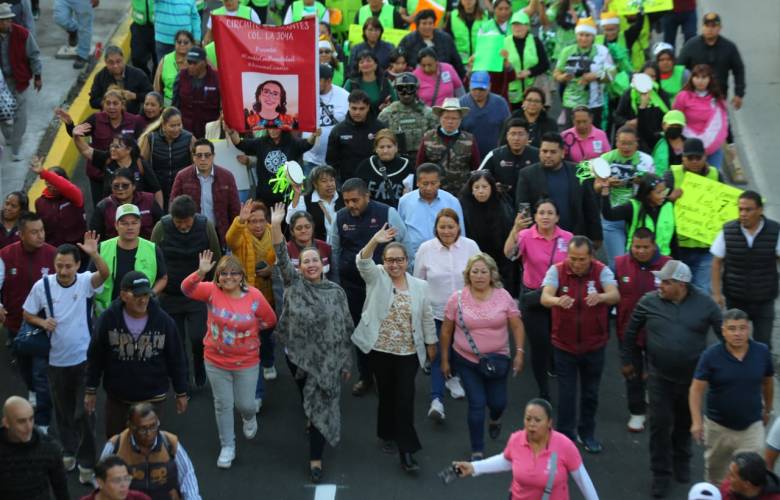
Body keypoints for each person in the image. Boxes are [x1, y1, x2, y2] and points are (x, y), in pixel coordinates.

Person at [621, 260, 722, 498]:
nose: (660, 286)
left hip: (692, 381)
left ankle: (682, 460)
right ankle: (661, 474)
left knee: (685, 422)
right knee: (659, 426)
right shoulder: (649, 301)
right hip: (659, 377)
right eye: (660, 281)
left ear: (682, 284)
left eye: (666, 282)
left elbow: (723, 334)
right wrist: (629, 361)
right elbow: (630, 333)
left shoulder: (706, 304)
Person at [269, 203, 352, 482]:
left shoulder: (336, 292)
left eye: (315, 261)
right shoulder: (293, 284)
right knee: (306, 393)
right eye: (306, 262)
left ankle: (315, 458)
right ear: (300, 267)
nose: (312, 265)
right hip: (297, 356)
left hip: (327, 361)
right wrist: (276, 224)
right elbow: (281, 253)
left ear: (322, 264)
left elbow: (345, 328)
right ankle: (310, 412)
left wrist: (345, 360)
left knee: (320, 407)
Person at [22, 235, 108, 483]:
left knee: (85, 413)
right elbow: (27, 313)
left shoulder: (84, 283)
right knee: (63, 413)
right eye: (59, 265)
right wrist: (41, 321)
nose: (63, 270)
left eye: (68, 265)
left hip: (84, 360)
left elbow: (104, 274)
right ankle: (68, 451)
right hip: (55, 361)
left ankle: (87, 462)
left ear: (78, 265)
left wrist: (94, 254)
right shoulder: (43, 285)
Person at [181, 251, 277, 468]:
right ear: (218, 276)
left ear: (242, 276)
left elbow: (270, 319)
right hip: (215, 361)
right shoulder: (211, 291)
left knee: (246, 404)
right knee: (222, 404)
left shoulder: (254, 296)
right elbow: (186, 289)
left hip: (247, 361)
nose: (229, 277)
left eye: (234, 273)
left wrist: (252, 330)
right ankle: (228, 446)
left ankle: (249, 417)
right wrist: (200, 272)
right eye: (224, 273)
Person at [354, 224, 437, 472]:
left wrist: (431, 343)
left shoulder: (419, 286)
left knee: (405, 399)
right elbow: (362, 261)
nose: (394, 265)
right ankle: (386, 432)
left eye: (399, 260)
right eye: (390, 260)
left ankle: (407, 451)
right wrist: (374, 240)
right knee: (387, 396)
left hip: (408, 353)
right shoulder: (377, 276)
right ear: (384, 261)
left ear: (407, 261)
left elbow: (426, 316)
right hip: (380, 350)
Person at [440, 252, 526, 459]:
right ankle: (477, 448)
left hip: (498, 359)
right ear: (468, 274)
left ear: (491, 274)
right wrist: (444, 359)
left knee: (498, 403)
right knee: (476, 403)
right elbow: (446, 331)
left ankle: (495, 419)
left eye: (483, 271)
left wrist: (520, 353)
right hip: (467, 361)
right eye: (475, 271)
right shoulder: (457, 299)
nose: (479, 276)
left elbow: (516, 324)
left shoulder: (503, 296)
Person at [86, 270, 188, 439]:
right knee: (116, 445)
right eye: (137, 295)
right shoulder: (108, 319)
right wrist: (91, 389)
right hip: (118, 398)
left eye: (146, 295)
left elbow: (176, 358)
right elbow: (96, 355)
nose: (143, 300)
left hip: (153, 398)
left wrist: (181, 392)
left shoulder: (164, 321)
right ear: (123, 295)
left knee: (149, 446)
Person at [541, 236, 620, 453]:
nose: (576, 264)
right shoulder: (557, 270)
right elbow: (545, 297)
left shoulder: (601, 271)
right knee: (566, 395)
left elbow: (615, 295)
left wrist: (602, 297)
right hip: (563, 345)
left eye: (582, 259)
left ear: (591, 257)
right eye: (573, 259)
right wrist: (557, 301)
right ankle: (565, 438)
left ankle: (587, 434)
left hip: (594, 345)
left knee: (590, 394)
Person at [332, 178, 407, 396]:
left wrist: (402, 279)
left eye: (355, 200)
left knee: (387, 330)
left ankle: (390, 377)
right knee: (360, 331)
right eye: (346, 201)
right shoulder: (340, 217)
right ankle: (365, 376)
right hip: (352, 286)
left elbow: (404, 243)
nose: (351, 205)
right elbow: (335, 250)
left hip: (384, 285)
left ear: (367, 196)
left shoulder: (387, 213)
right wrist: (337, 285)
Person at [452, 398, 600, 500]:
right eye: (528, 419)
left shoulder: (564, 445)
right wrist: (474, 467)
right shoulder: (516, 439)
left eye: (537, 420)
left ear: (549, 423)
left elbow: (582, 480)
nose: (531, 424)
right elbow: (506, 461)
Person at [690, 309, 774, 485]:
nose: (738, 334)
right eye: (732, 328)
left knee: (750, 478)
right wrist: (697, 422)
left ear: (749, 329)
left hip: (751, 427)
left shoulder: (762, 352)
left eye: (742, 328)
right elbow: (696, 390)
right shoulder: (711, 355)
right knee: (716, 477)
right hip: (718, 428)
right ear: (723, 330)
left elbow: (768, 382)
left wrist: (768, 409)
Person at [414, 208, 479, 421]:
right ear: (436, 228)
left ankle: (452, 377)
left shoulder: (470, 246)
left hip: (465, 312)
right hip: (436, 312)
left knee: (459, 351)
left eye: (451, 226)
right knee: (437, 355)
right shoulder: (426, 249)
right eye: (442, 227)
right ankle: (436, 401)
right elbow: (418, 281)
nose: (447, 231)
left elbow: (480, 275)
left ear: (458, 226)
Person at [504, 198, 572, 401]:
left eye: (550, 213)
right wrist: (515, 229)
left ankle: (555, 366)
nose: (545, 217)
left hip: (559, 297)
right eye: (541, 212)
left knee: (559, 341)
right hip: (534, 297)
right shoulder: (525, 235)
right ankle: (544, 390)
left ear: (557, 217)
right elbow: (509, 254)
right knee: (540, 344)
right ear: (534, 216)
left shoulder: (568, 238)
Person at [151, 195, 222, 389]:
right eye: (178, 221)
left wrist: (217, 289)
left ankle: (199, 365)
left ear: (194, 216)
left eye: (186, 221)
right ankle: (183, 383)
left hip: (197, 294)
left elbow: (216, 254)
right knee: (177, 343)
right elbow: (153, 258)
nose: (182, 225)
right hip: (170, 295)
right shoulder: (161, 228)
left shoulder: (205, 226)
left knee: (199, 338)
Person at [613, 228, 671, 433]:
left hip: (659, 333)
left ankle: (657, 405)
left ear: (654, 245)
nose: (640, 251)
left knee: (659, 372)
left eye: (645, 247)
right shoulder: (619, 264)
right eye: (636, 246)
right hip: (628, 331)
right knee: (632, 373)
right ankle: (637, 412)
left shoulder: (667, 265)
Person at [0, 213, 56, 417]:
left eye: (42, 230)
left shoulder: (53, 254)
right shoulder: (5, 255)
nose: (40, 235)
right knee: (24, 366)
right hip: (16, 325)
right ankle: (32, 388)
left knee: (41, 371)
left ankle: (42, 418)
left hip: (44, 325)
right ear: (21, 234)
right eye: (34, 232)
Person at [711, 190, 779, 349]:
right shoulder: (727, 231)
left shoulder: (775, 231)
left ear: (760, 210)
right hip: (736, 298)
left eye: (748, 210)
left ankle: (763, 374)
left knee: (763, 344)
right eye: (740, 209)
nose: (743, 214)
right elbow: (716, 263)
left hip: (764, 299)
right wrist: (717, 293)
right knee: (735, 342)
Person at [60, 90, 146, 207]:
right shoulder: (96, 118)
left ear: (122, 104)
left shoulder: (134, 121)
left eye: (115, 103)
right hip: (98, 175)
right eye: (108, 103)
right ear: (103, 104)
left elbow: (142, 145)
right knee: (102, 207)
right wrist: (70, 124)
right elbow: (77, 133)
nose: (111, 107)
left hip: (125, 176)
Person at [225, 200, 277, 391]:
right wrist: (240, 220)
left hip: (270, 292)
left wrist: (271, 270)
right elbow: (230, 240)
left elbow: (281, 256)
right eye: (252, 221)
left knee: (268, 334)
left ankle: (269, 361)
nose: (257, 225)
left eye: (261, 220)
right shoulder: (241, 234)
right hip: (247, 295)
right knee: (251, 335)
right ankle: (255, 385)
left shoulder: (274, 231)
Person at [100, 403, 201, 499]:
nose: (149, 434)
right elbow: (100, 480)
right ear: (130, 427)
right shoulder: (115, 446)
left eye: (153, 427)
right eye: (143, 429)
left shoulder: (169, 442)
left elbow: (187, 476)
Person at [515, 132, 602, 242]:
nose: (548, 155)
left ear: (562, 153)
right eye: (544, 151)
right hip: (539, 239)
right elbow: (523, 209)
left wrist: (597, 236)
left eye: (553, 152)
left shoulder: (579, 171)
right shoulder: (527, 174)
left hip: (574, 239)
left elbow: (590, 206)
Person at [665, 138, 724, 291]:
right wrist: (669, 199)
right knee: (679, 290)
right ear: (682, 157)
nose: (694, 162)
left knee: (702, 290)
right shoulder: (671, 175)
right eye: (690, 158)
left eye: (698, 158)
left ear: (705, 156)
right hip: (679, 246)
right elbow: (658, 204)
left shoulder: (716, 175)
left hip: (707, 246)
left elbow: (726, 206)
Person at [597, 126, 655, 269]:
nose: (626, 147)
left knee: (639, 261)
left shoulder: (646, 161)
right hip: (612, 216)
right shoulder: (605, 159)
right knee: (617, 264)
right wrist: (607, 184)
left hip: (637, 216)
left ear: (637, 143)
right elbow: (596, 187)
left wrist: (642, 183)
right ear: (616, 142)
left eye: (630, 143)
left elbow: (654, 188)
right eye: (622, 143)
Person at [93, 203, 168, 314]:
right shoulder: (102, 248)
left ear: (140, 224)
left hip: (142, 312)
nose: (130, 227)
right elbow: (89, 280)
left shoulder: (152, 248)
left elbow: (163, 278)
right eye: (124, 223)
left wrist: (150, 294)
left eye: (134, 223)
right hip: (108, 313)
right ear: (116, 225)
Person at [169, 138, 240, 248]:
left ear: (213, 156)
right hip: (191, 231)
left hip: (220, 232)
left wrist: (234, 235)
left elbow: (235, 210)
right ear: (193, 157)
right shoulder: (182, 176)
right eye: (199, 155)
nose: (203, 159)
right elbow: (173, 207)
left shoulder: (227, 177)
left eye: (207, 155)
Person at [225, 125, 315, 206]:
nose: (272, 131)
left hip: (287, 196)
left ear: (283, 128)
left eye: (276, 128)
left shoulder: (292, 143)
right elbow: (240, 144)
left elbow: (307, 144)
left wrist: (314, 135)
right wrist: (232, 133)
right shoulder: (261, 143)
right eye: (270, 128)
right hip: (264, 196)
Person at [0, 396, 70, 500]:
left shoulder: (50, 448)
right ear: (6, 422)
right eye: (21, 421)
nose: (29, 427)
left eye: (31, 419)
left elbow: (61, 489)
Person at [73, 127, 162, 206]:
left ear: (128, 150)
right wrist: (76, 136)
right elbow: (86, 150)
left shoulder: (140, 164)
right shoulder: (107, 159)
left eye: (117, 147)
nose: (112, 149)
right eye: (112, 146)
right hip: (111, 210)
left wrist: (159, 213)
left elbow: (157, 190)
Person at [459, 170, 515, 292]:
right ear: (471, 190)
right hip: (473, 260)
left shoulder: (502, 205)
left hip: (500, 258)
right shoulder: (463, 207)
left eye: (484, 187)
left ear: (491, 188)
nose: (481, 191)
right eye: (476, 187)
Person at [678, 13, 745, 115]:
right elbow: (679, 69)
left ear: (720, 28)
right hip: (695, 98)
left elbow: (739, 70)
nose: (710, 29)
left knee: (722, 128)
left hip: (718, 97)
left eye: (713, 26)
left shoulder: (729, 48)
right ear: (702, 27)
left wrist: (739, 94)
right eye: (707, 26)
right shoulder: (691, 46)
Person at [553, 17, 615, 127]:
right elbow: (556, 73)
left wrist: (595, 76)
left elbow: (612, 75)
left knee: (593, 136)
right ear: (576, 35)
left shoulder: (602, 51)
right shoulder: (567, 51)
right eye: (581, 35)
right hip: (571, 102)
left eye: (587, 35)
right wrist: (563, 77)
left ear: (593, 36)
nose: (584, 38)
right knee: (571, 137)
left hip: (594, 103)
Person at [596, 174, 676, 257]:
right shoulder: (633, 207)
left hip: (662, 259)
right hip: (635, 259)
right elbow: (609, 215)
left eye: (664, 191)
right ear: (647, 194)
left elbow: (673, 236)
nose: (663, 195)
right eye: (659, 192)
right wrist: (605, 194)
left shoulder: (668, 206)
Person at [398, 163, 464, 263]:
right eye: (425, 183)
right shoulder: (405, 201)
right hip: (414, 258)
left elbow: (461, 233)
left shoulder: (452, 201)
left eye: (433, 183)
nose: (429, 188)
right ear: (417, 183)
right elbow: (400, 232)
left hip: (446, 255)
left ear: (439, 182)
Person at [0, 4, 41, 162]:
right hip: (1, 82)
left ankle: (16, 147)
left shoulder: (22, 34)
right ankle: (9, 136)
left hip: (18, 79)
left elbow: (34, 55)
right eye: (3, 21)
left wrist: (37, 75)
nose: (6, 23)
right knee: (2, 112)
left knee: (20, 113)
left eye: (8, 20)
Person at [417, 97, 480, 195]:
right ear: (440, 118)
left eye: (454, 118)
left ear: (460, 120)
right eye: (446, 117)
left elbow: (476, 169)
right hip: (433, 191)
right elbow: (419, 166)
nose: (450, 121)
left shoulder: (469, 139)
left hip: (461, 193)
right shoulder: (428, 137)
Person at [673, 64, 728, 168]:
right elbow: (674, 119)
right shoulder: (683, 96)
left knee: (713, 179)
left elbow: (722, 124)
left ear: (709, 79)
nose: (700, 81)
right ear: (692, 78)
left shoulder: (716, 99)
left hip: (712, 148)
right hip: (688, 148)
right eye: (697, 77)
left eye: (704, 77)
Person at [139, 107, 195, 209]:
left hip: (181, 191)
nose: (177, 129)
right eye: (172, 126)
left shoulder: (189, 138)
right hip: (157, 191)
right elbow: (142, 165)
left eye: (179, 125)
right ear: (163, 125)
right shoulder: (150, 139)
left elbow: (195, 165)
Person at [327, 90, 386, 182]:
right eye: (354, 108)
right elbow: (331, 162)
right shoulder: (338, 130)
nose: (357, 112)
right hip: (348, 182)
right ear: (349, 107)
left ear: (368, 107)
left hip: (375, 181)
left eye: (362, 108)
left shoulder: (380, 128)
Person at [377, 72, 438, 159]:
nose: (406, 94)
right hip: (396, 159)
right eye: (401, 88)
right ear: (396, 90)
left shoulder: (428, 113)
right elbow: (379, 139)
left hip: (423, 158)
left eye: (410, 88)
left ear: (416, 89)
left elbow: (437, 138)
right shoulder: (387, 113)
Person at [90, 169, 163, 241]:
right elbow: (95, 236)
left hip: (147, 247)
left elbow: (162, 225)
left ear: (134, 186)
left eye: (125, 185)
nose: (120, 188)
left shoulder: (149, 199)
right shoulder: (103, 206)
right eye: (116, 186)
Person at [479, 118, 539, 201]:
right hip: (501, 204)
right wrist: (492, 186)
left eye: (521, 134)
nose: (516, 138)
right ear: (507, 136)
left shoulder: (537, 155)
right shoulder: (494, 155)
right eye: (513, 134)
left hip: (529, 204)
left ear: (528, 136)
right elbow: (477, 179)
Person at [31, 162, 86, 250]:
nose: (50, 184)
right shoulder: (40, 202)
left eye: (54, 181)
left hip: (78, 249)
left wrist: (44, 173)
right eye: (47, 181)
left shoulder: (75, 196)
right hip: (53, 251)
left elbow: (67, 187)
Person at [500, 11, 550, 109]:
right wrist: (511, 73)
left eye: (520, 25)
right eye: (514, 25)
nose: (517, 28)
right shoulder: (504, 42)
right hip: (512, 90)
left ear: (527, 26)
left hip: (532, 89)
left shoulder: (535, 41)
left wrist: (529, 72)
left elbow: (545, 64)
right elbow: (498, 66)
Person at [398, 9, 466, 79]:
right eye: (424, 23)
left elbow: (457, 62)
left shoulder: (446, 39)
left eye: (430, 23)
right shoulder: (408, 40)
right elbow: (399, 60)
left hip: (443, 79)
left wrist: (463, 79)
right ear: (417, 26)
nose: (427, 27)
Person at [304, 64, 348, 169]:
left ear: (328, 81)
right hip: (310, 159)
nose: (313, 82)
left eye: (317, 80)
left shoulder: (345, 96)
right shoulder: (305, 94)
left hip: (336, 159)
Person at [355, 129, 414, 208]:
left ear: (396, 147)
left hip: (399, 213)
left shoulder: (407, 166)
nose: (385, 151)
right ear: (376, 148)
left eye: (389, 147)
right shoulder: (366, 166)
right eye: (381, 147)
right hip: (373, 214)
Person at [460, 71, 510, 162]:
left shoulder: (500, 103)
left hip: (495, 156)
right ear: (469, 85)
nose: (478, 92)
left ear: (489, 86)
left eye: (481, 89)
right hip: (468, 157)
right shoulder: (461, 103)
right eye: (474, 89)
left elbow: (508, 128)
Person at [286, 165, 343, 244]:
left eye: (332, 180)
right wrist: (296, 195)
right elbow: (290, 220)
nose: (329, 184)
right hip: (315, 249)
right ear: (315, 184)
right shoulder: (305, 200)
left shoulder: (343, 197)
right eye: (324, 181)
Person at [171, 46, 219, 140]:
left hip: (210, 130)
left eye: (195, 63)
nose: (191, 66)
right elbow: (174, 104)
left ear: (204, 62)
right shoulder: (181, 76)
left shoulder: (217, 78)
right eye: (189, 62)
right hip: (186, 129)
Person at [89, 46, 152, 116]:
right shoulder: (100, 77)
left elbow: (151, 94)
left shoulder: (138, 74)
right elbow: (93, 101)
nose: (115, 65)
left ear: (123, 60)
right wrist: (107, 101)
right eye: (111, 62)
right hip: (108, 117)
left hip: (133, 116)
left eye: (118, 61)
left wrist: (135, 96)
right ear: (106, 63)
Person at [345, 51, 396, 117]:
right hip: (357, 121)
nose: (365, 64)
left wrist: (388, 107)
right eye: (361, 62)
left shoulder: (385, 82)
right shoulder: (351, 83)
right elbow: (343, 104)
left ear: (376, 65)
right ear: (358, 67)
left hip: (381, 121)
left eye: (368, 61)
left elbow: (395, 103)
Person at [285, 210, 333, 279]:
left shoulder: (325, 247)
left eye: (307, 227)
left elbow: (334, 274)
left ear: (312, 228)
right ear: (292, 231)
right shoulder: (286, 249)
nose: (303, 230)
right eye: (299, 228)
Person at [80, 455, 153, 500]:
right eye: (117, 480)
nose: (124, 485)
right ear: (100, 482)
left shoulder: (140, 498)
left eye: (127, 479)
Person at [153, 30, 194, 106]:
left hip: (191, 106)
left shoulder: (198, 61)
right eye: (179, 42)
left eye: (186, 42)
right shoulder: (165, 59)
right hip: (168, 105)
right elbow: (157, 87)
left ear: (192, 44)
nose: (182, 44)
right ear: (174, 44)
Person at [444, 0, 486, 65]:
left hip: (481, 61)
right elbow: (448, 40)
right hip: (459, 63)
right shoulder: (453, 16)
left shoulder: (486, 16)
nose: (468, 1)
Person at [652, 109, 687, 177]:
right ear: (663, 125)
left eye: (678, 126)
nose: (674, 128)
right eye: (672, 125)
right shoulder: (655, 140)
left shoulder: (689, 144)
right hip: (661, 183)